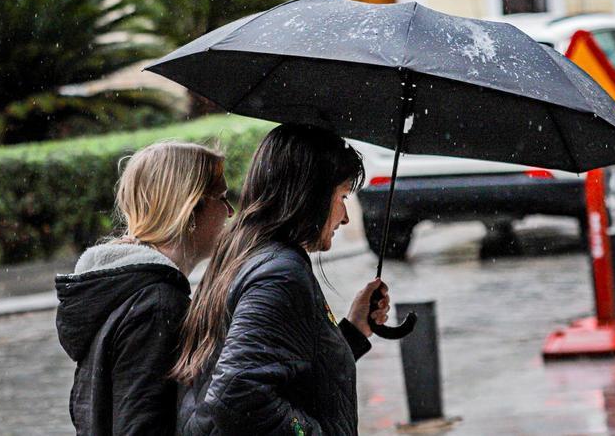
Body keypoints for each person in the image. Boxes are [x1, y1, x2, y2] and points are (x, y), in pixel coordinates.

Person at [174, 124, 391, 436]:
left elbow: (287, 371)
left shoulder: (243, 248)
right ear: (311, 195)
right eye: (342, 196)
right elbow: (236, 395)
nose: (345, 217)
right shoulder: (278, 273)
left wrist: (354, 333)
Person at [55, 142, 232, 435]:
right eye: (222, 198)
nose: (230, 211)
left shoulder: (126, 289)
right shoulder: (157, 306)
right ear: (190, 207)